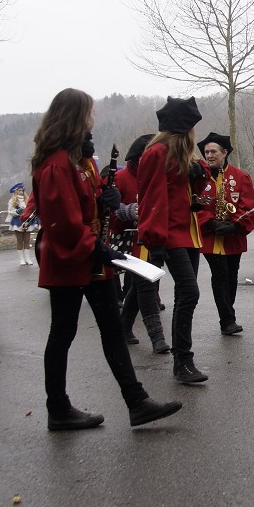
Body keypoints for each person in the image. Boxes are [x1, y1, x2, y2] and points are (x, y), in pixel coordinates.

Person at [31, 87, 182, 430]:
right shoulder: (56, 165)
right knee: (63, 333)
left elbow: (86, 207)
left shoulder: (78, 162)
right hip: (71, 259)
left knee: (112, 329)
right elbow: (65, 224)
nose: (92, 120)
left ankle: (137, 401)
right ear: (74, 117)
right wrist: (101, 249)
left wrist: (105, 196)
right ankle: (58, 408)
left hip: (89, 257)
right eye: (88, 114)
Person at [137, 96, 211, 384]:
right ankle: (182, 361)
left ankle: (183, 360)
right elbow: (152, 199)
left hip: (188, 232)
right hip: (170, 234)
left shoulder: (182, 154)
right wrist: (154, 237)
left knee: (185, 295)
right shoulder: (156, 153)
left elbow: (199, 184)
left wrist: (198, 173)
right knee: (190, 292)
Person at [113, 134, 171, 352]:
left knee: (139, 287)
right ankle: (157, 338)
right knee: (146, 286)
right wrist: (129, 211)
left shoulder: (160, 174)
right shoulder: (121, 178)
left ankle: (124, 327)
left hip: (155, 239)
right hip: (131, 241)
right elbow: (109, 208)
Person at [196, 132, 254, 336]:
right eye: (206, 152)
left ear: (225, 152)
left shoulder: (241, 177)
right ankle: (227, 320)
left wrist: (235, 226)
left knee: (231, 276)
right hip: (211, 238)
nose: (209, 155)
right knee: (220, 275)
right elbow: (194, 207)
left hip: (233, 237)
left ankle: (227, 314)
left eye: (213, 151)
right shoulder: (198, 178)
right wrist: (209, 222)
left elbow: (248, 206)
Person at [6, 182, 34, 265]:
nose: (21, 192)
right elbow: (10, 211)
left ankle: (28, 258)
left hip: (27, 221)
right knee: (19, 240)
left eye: (22, 190)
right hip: (17, 221)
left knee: (27, 240)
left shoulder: (27, 199)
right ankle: (21, 259)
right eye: (19, 190)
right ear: (16, 191)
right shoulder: (12, 201)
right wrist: (17, 211)